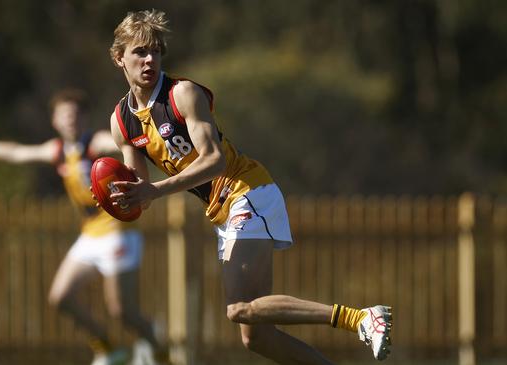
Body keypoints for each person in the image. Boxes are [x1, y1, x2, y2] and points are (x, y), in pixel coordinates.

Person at [105, 9, 392, 365]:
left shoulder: (182, 95)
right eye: (140, 52)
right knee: (256, 336)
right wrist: (111, 195)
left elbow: (214, 160)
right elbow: (140, 193)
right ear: (119, 57)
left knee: (237, 308)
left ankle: (362, 318)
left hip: (247, 190)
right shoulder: (122, 122)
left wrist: (156, 192)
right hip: (223, 210)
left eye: (156, 51)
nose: (149, 60)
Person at [0, 89, 169, 365]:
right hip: (90, 234)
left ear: (84, 118)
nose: (70, 120)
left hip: (117, 233)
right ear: (55, 121)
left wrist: (149, 133)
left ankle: (159, 350)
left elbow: (122, 139)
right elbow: (16, 153)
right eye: (65, 115)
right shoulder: (58, 150)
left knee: (122, 311)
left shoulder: (94, 143)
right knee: (60, 296)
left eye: (75, 114)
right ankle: (108, 348)